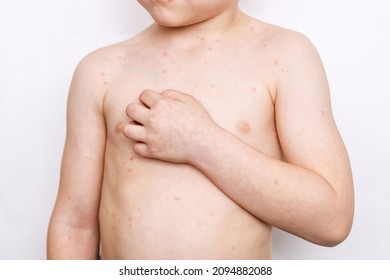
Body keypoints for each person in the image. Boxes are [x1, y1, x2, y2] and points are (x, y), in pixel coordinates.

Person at [47, 0, 354, 260]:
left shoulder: (283, 55)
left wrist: (203, 143)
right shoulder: (101, 71)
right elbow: (76, 225)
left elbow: (331, 220)